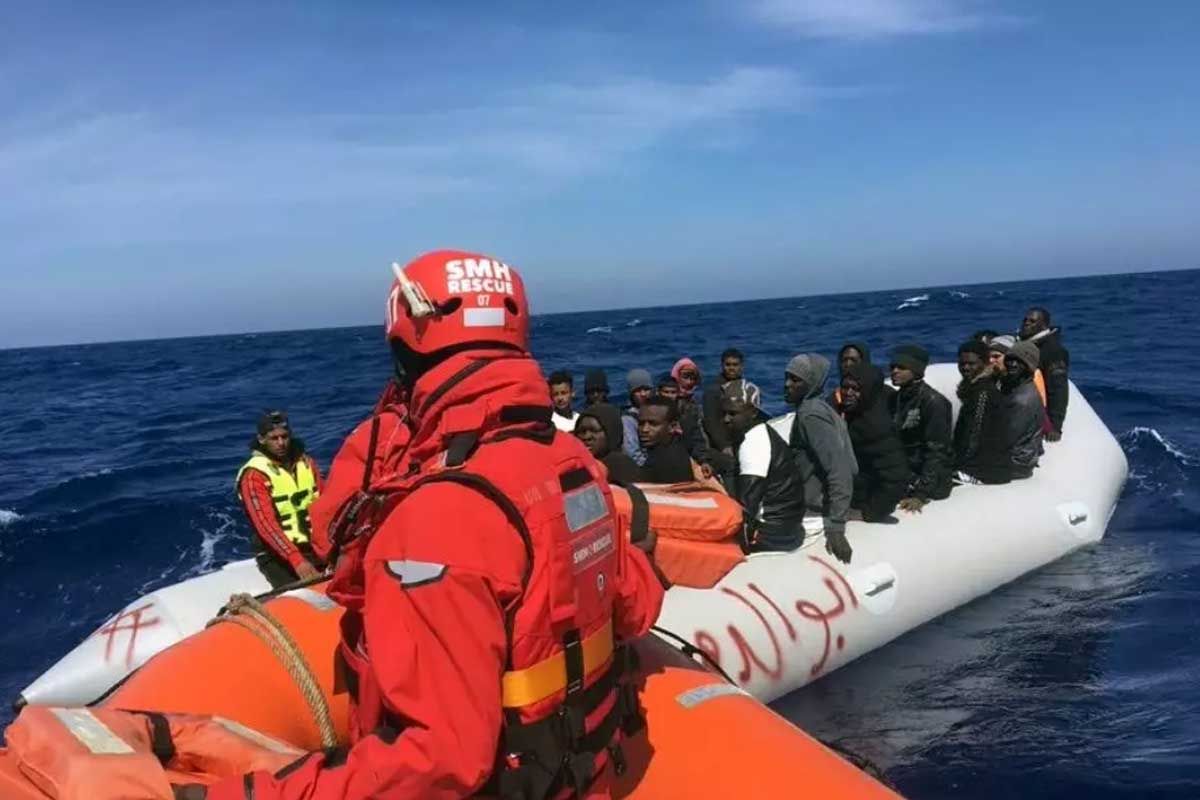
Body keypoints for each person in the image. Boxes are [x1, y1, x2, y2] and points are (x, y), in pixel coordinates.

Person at [207, 250, 665, 800]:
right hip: (581, 772)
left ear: (405, 354)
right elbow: (636, 604)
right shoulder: (574, 464)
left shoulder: (434, 521)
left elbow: (441, 759)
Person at [776, 354, 855, 563]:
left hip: (813, 513)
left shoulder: (811, 415)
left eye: (795, 380)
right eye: (787, 377)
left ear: (810, 384)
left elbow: (840, 468)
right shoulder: (819, 407)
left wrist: (837, 527)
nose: (787, 384)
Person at [235, 410, 325, 588]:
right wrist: (296, 559)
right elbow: (265, 525)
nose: (281, 443)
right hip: (276, 555)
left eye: (284, 437)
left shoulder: (307, 463)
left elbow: (326, 503)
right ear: (262, 440)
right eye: (273, 438)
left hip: (314, 545)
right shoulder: (254, 475)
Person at [723, 395, 808, 553]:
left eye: (733, 414)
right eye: (725, 413)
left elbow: (748, 504)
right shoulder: (763, 431)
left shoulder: (753, 444)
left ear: (753, 412)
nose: (726, 419)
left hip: (774, 533)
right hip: (790, 523)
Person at [840, 363, 910, 522]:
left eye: (855, 389)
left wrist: (869, 513)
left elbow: (897, 477)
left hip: (866, 498)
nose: (848, 393)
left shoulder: (875, 427)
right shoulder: (859, 410)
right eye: (845, 387)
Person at [888, 345, 953, 511]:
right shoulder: (896, 399)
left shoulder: (933, 402)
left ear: (916, 371)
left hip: (926, 480)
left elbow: (937, 450)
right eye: (892, 367)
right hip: (904, 473)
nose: (894, 371)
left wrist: (921, 494)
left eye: (901, 368)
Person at [953, 340, 1014, 484]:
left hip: (987, 470)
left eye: (971, 364)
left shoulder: (983, 392)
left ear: (984, 363)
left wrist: (959, 465)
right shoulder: (975, 388)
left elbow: (974, 433)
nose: (965, 368)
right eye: (962, 364)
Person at [1019, 306, 1070, 441]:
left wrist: (1055, 426)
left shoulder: (1053, 351)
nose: (1026, 323)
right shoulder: (1025, 345)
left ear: (1044, 326)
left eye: (1032, 321)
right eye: (1025, 320)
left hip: (1038, 413)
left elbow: (1059, 388)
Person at [701, 348, 761, 456]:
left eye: (735, 365)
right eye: (728, 365)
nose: (731, 368)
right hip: (723, 443)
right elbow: (711, 421)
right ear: (722, 366)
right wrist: (723, 445)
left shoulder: (747, 389)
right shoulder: (714, 391)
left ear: (742, 366)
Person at [1001, 340, 1045, 479]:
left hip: (1016, 464)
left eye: (1019, 361)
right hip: (1021, 458)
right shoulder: (1016, 387)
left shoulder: (1023, 400)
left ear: (1028, 366)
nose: (1012, 364)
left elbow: (1008, 438)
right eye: (1010, 359)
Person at [575, 403, 643, 487]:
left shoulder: (621, 465)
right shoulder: (577, 465)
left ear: (611, 432)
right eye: (582, 431)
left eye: (594, 431)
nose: (586, 437)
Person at [638, 394, 696, 483]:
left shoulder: (664, 462)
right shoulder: (678, 448)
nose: (645, 430)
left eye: (653, 424)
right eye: (641, 423)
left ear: (672, 426)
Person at [621, 368, 653, 466]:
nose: (643, 394)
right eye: (638, 390)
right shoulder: (628, 420)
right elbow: (632, 453)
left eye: (646, 389)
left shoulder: (655, 412)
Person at [830, 342, 873, 411]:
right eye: (844, 360)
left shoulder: (879, 394)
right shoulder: (834, 399)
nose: (848, 364)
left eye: (853, 360)